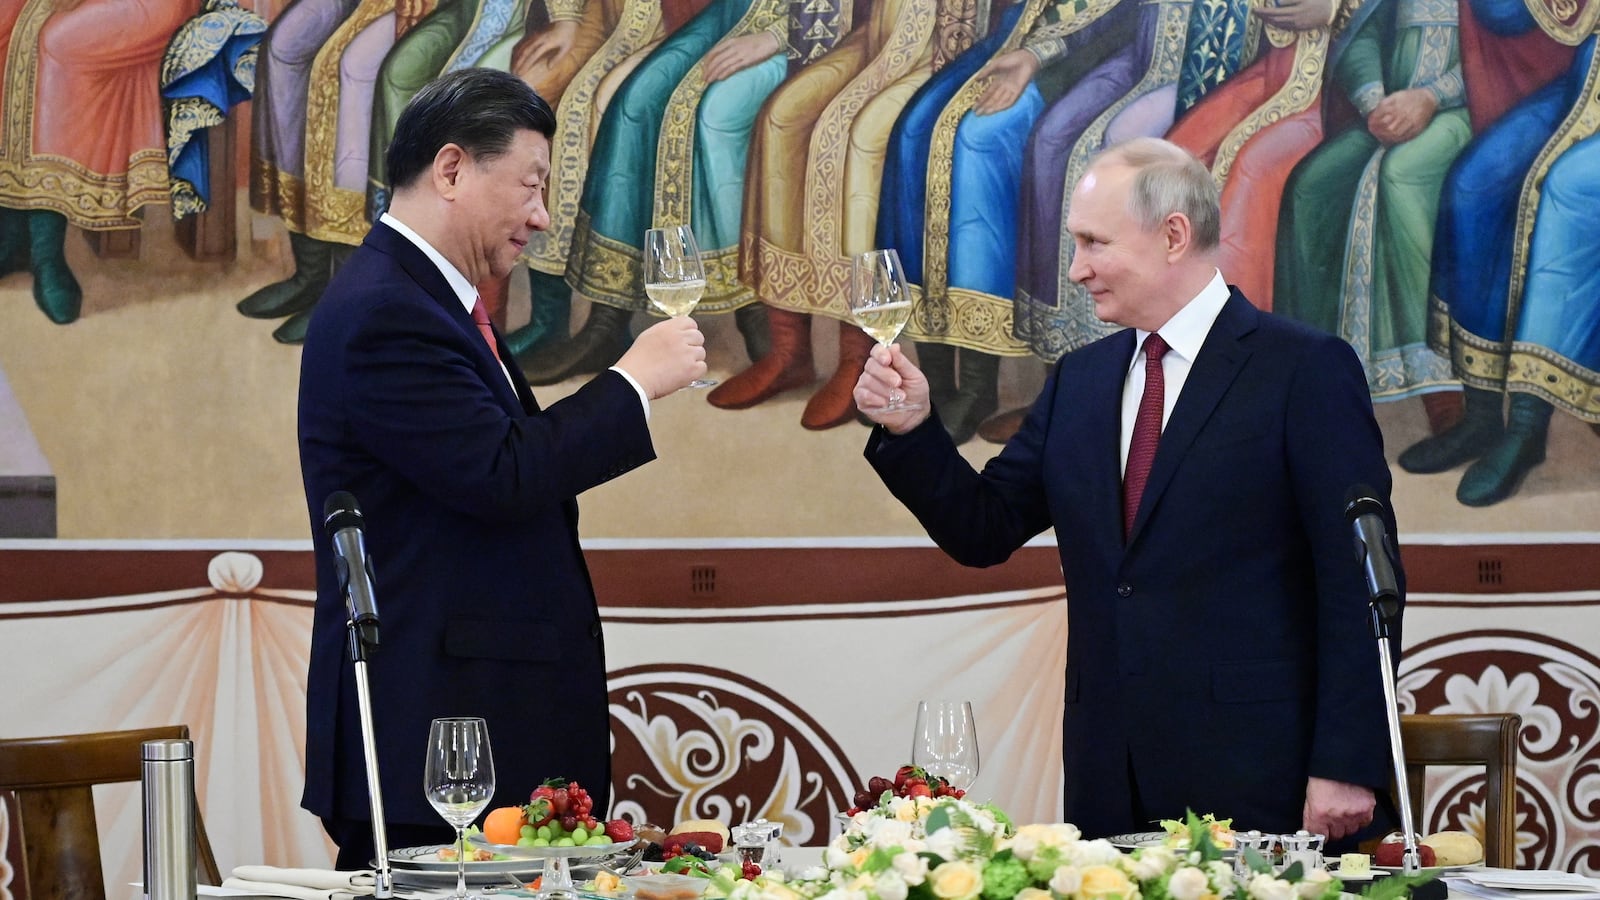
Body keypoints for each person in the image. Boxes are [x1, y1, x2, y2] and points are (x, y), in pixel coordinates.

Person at [854, 137, 1399, 844]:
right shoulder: (1079, 381)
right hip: (1108, 775)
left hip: (1264, 776)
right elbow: (982, 529)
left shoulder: (1304, 370)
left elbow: (1357, 578)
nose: (1076, 270)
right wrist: (912, 429)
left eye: (1092, 243)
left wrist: (1348, 762)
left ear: (1174, 235)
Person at [297, 67, 707, 869]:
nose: (542, 217)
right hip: (439, 742)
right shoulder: (387, 309)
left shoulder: (430, 300)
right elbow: (500, 473)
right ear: (451, 169)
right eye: (530, 185)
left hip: (477, 727)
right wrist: (633, 382)